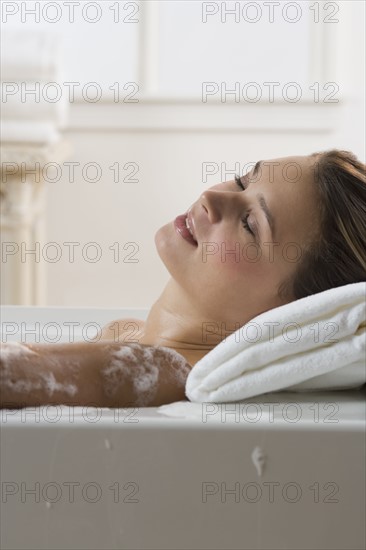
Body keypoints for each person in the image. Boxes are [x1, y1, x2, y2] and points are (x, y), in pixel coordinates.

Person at [1, 149, 365, 409]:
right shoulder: (128, 333)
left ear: (296, 314)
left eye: (250, 224)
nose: (212, 197)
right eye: (241, 181)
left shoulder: (165, 373)